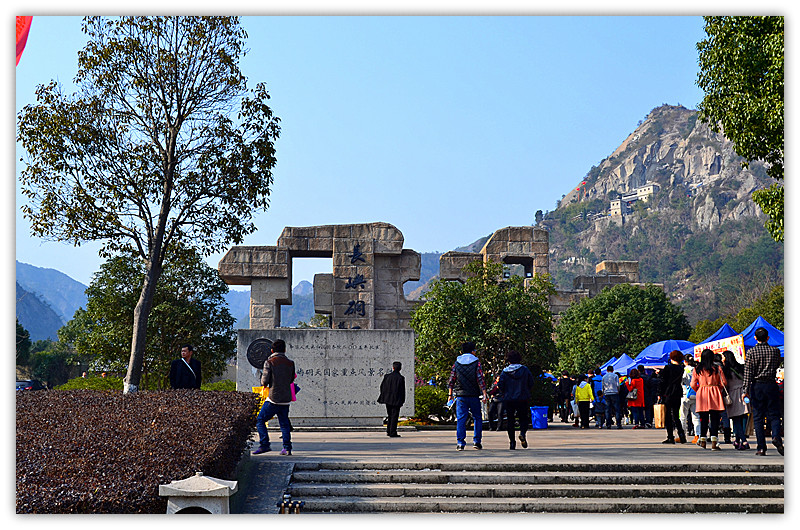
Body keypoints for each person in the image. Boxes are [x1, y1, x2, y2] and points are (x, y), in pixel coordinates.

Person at [742, 327, 784, 456]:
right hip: (771, 385)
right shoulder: (775, 351)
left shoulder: (751, 352)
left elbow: (748, 372)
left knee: (758, 417)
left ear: (755, 338)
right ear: (768, 338)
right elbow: (777, 365)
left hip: (757, 386)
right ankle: (776, 436)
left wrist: (745, 390)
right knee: (774, 414)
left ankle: (761, 447)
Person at [252, 339, 296, 456]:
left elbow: (264, 381)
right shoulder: (290, 363)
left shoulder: (270, 362)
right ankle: (287, 448)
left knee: (260, 420)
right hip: (286, 399)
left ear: (272, 350)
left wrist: (265, 382)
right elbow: (291, 379)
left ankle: (264, 444)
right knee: (284, 423)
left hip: (273, 398)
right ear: (285, 350)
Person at [447, 342, 489, 451]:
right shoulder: (476, 363)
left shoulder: (457, 363)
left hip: (461, 395)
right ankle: (477, 441)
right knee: (477, 418)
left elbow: (452, 380)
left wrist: (450, 395)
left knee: (461, 419)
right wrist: (484, 394)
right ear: (472, 351)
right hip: (474, 395)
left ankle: (460, 443)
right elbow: (480, 379)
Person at [690, 348, 728, 450]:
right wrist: (717, 388)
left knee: (704, 418)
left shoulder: (697, 369)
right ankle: (714, 442)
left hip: (702, 393)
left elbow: (692, 384)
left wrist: (699, 389)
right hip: (714, 392)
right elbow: (724, 382)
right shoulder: (717, 368)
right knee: (715, 418)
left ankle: (702, 439)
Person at [497, 350, 535, 449]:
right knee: (523, 418)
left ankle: (512, 443)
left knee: (510, 421)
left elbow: (500, 385)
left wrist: (504, 393)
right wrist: (526, 390)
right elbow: (531, 382)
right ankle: (522, 433)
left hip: (509, 399)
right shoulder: (525, 370)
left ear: (508, 360)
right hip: (522, 398)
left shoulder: (505, 372)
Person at [721, 350, 750, 451]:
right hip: (744, 394)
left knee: (735, 419)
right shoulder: (740, 367)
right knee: (743, 416)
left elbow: (724, 383)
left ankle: (744, 441)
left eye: (723, 356)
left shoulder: (725, 370)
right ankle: (737, 440)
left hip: (733, 394)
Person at [658, 350, 687, 444]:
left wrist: (660, 393)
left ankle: (670, 436)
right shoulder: (681, 368)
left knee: (668, 416)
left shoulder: (668, 368)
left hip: (668, 392)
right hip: (678, 392)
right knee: (676, 415)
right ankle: (681, 435)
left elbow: (663, 382)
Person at [377, 361, 405, 438]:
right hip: (396, 400)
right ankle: (392, 432)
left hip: (388, 399)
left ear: (393, 368)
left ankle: (389, 431)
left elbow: (382, 387)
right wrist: (402, 400)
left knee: (390, 415)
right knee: (394, 416)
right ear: (400, 368)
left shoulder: (387, 376)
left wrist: (384, 396)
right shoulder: (400, 378)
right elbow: (402, 391)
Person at [680, 354, 701, 442]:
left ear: (685, 361)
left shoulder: (685, 370)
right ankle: (698, 435)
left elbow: (682, 380)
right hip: (696, 394)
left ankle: (682, 435)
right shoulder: (697, 369)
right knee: (696, 416)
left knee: (683, 416)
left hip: (685, 394)